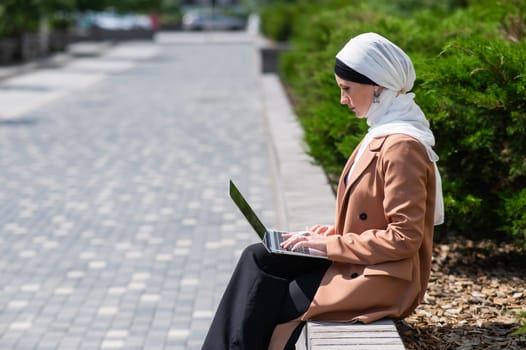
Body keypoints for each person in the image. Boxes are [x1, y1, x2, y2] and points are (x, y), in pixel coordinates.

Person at [202, 32, 444, 350]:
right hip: (364, 262)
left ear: (377, 86)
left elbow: (403, 238)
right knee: (260, 257)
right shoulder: (383, 131)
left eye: (347, 89)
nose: (343, 99)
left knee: (279, 301)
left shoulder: (402, 146)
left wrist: (329, 245)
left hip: (386, 278)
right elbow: (373, 221)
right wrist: (325, 235)